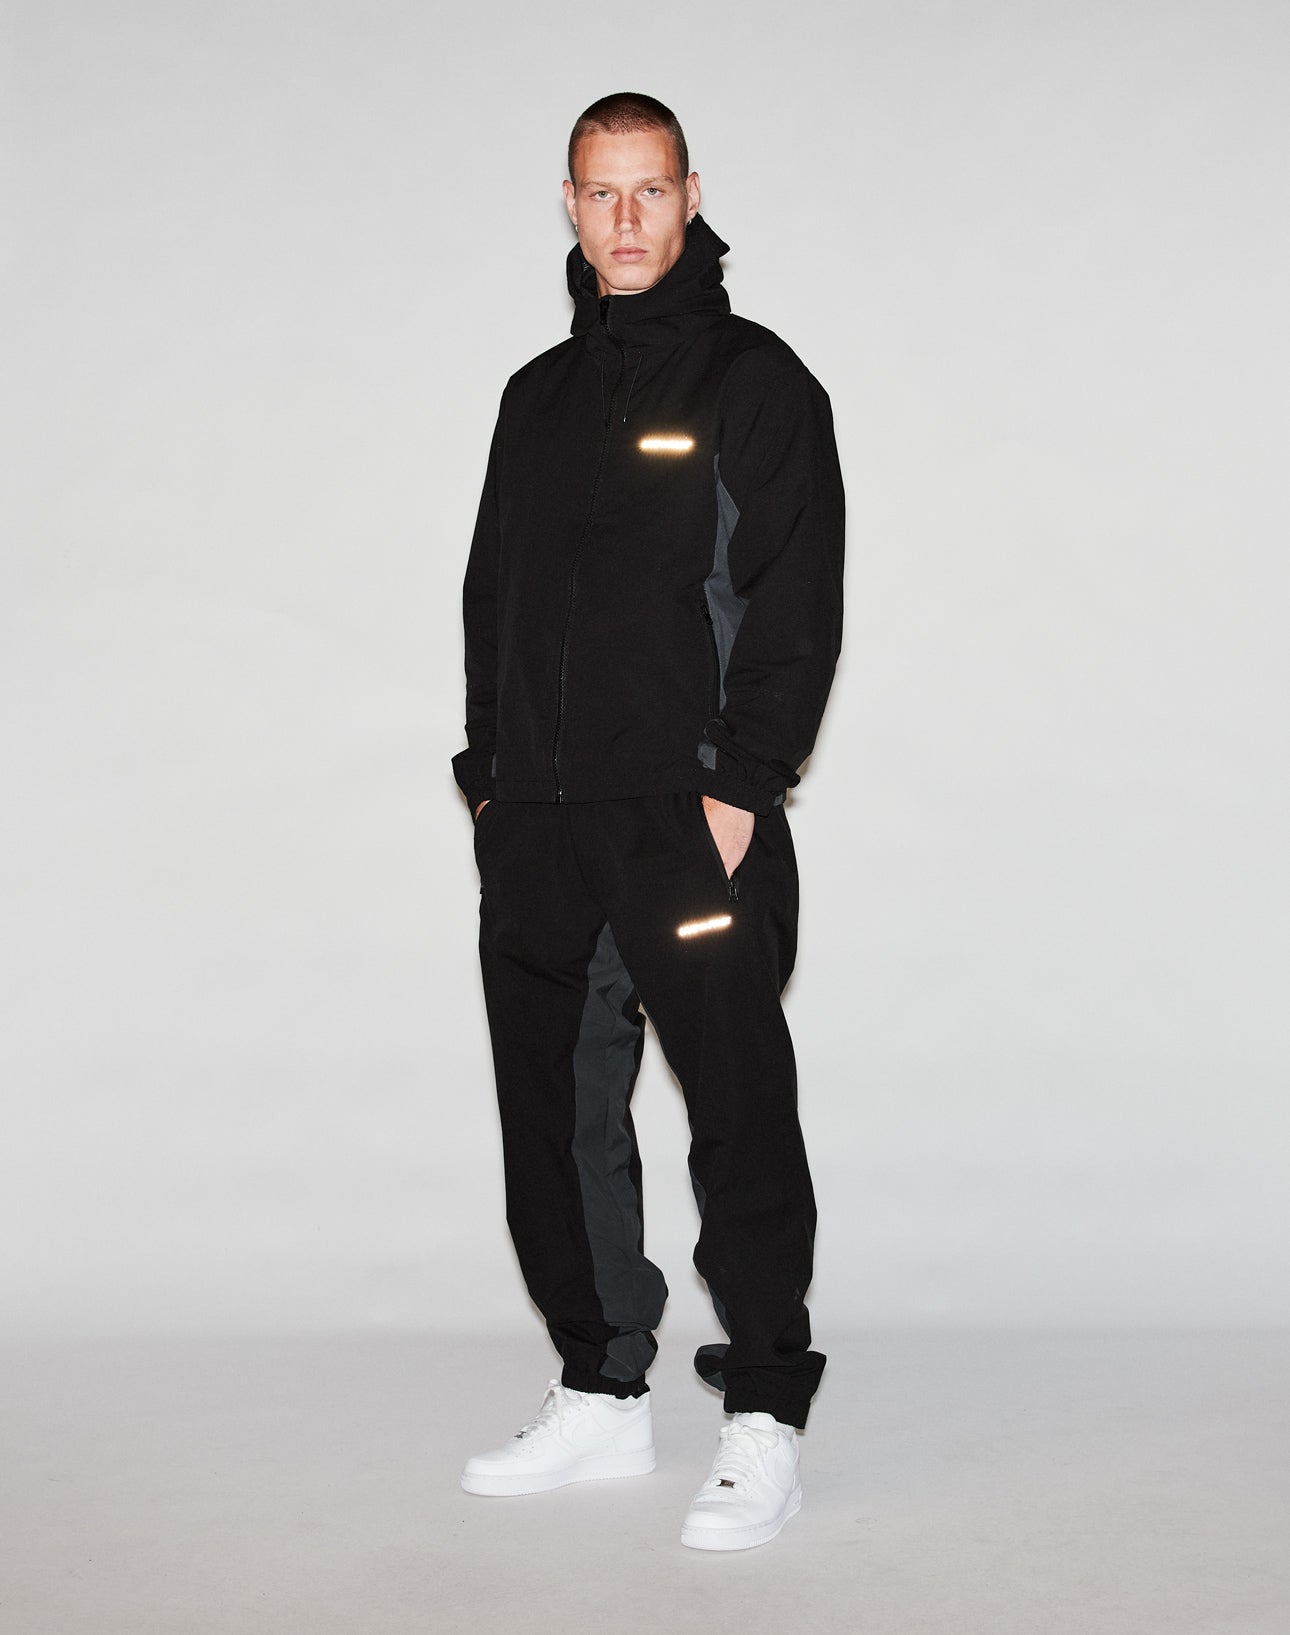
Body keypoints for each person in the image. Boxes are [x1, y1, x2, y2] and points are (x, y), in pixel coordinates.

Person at [451, 91, 844, 1552]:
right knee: (554, 1119)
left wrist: (743, 787)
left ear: (689, 196)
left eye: (650, 190)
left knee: (735, 1110)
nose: (625, 219)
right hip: (540, 827)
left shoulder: (756, 382)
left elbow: (797, 598)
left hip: (687, 820)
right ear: (568, 203)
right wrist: (488, 777)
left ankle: (765, 1411)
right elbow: (492, 595)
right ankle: (601, 1385)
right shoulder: (535, 399)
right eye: (599, 193)